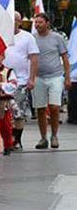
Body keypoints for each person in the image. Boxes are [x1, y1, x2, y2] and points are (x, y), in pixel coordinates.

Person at [33, 12, 71, 149]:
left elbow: (65, 59)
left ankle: (54, 135)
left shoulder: (57, 38)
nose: (37, 25)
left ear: (47, 23)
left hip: (55, 76)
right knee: (40, 108)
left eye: (40, 22)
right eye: (35, 22)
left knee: (54, 107)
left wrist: (67, 77)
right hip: (38, 77)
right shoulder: (32, 39)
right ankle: (43, 138)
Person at [3, 12, 38, 151]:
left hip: (21, 81)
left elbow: (34, 58)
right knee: (5, 112)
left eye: (15, 20)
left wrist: (31, 78)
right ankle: (7, 139)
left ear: (19, 22)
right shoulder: (1, 35)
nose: (12, 22)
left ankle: (17, 140)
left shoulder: (27, 37)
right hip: (3, 81)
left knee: (19, 112)